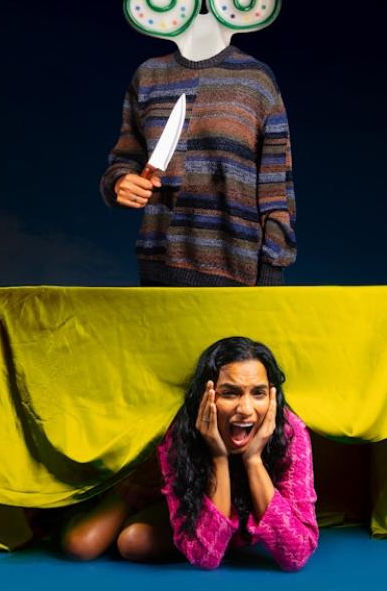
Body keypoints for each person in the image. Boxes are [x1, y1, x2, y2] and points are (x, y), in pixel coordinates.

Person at [61, 336, 318, 571]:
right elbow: (207, 556)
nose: (246, 409)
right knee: (81, 545)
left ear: (272, 397)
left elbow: (296, 553)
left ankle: (215, 528)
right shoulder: (181, 434)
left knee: (132, 542)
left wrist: (252, 460)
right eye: (230, 393)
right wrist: (218, 455)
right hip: (157, 484)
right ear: (207, 396)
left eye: (258, 393)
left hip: (213, 508)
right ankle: (70, 511)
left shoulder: (289, 431)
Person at [99, 44, 296, 287]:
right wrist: (119, 181)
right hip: (158, 268)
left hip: (238, 273)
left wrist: (272, 268)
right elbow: (125, 158)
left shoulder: (257, 80)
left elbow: (276, 187)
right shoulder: (148, 75)